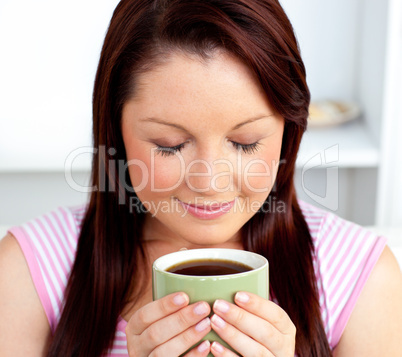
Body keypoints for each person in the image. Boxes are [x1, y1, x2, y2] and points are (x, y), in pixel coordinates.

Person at [1, 0, 401, 356]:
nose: (209, 181)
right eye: (170, 144)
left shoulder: (360, 278)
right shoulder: (31, 270)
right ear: (115, 131)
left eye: (245, 143)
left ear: (287, 131)